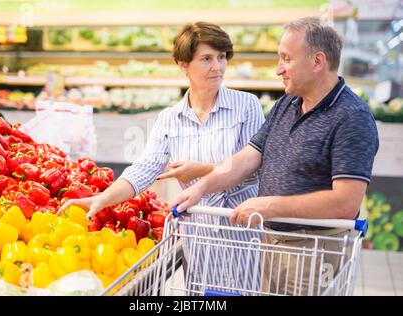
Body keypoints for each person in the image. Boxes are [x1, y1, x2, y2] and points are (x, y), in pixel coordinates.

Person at [172, 16, 379, 296]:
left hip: (315, 252)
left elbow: (346, 201)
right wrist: (202, 187)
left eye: (286, 59)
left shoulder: (352, 117)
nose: (278, 69)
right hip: (273, 244)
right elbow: (248, 156)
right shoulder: (288, 102)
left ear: (317, 61)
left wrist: (270, 205)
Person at [59, 22, 265, 294]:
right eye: (206, 59)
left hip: (239, 233)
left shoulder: (246, 106)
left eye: (222, 57)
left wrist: (200, 170)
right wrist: (101, 199)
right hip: (199, 238)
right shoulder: (170, 119)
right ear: (183, 64)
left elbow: (255, 168)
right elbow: (143, 169)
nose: (218, 66)